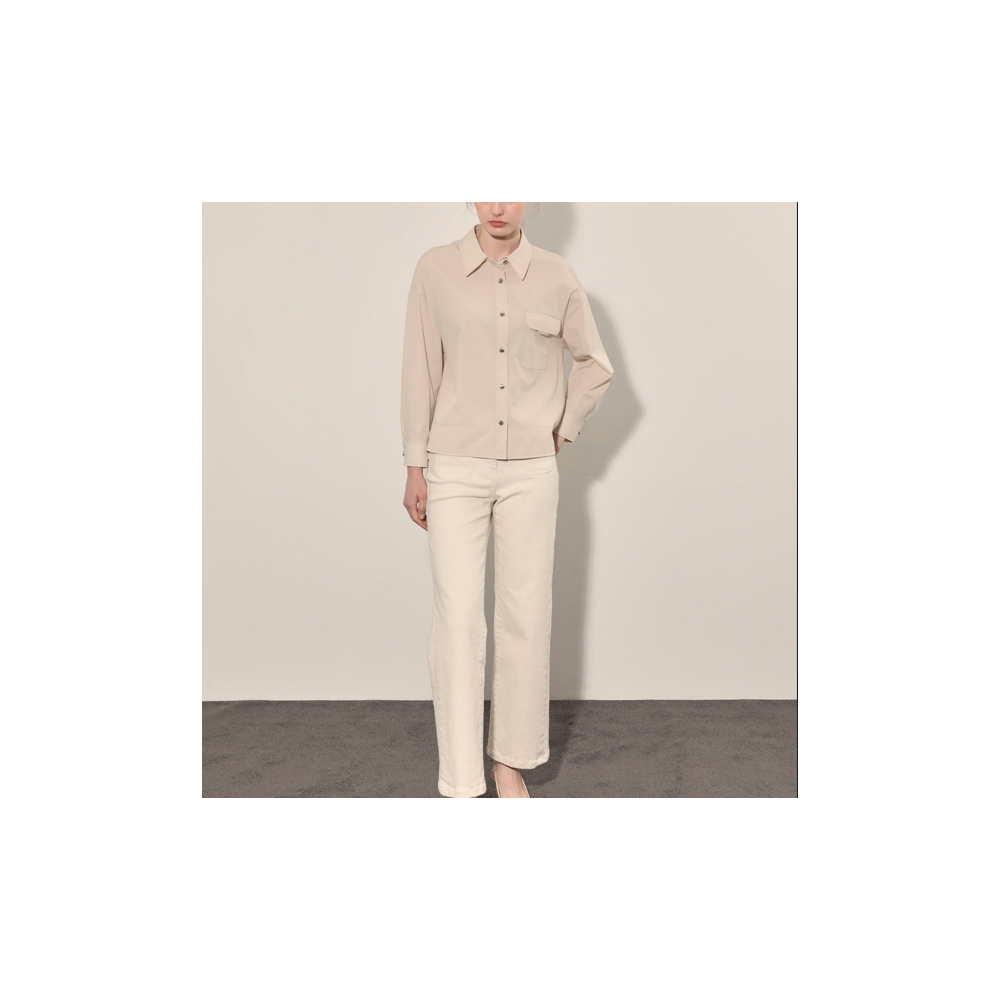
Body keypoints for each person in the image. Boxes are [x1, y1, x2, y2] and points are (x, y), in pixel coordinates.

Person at [401, 202, 613, 798]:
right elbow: (420, 367)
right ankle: (461, 778)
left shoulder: (557, 275)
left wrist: (561, 429)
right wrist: (415, 464)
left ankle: (510, 763)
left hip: (529, 472)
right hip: (453, 466)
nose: (498, 207)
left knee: (524, 617)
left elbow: (595, 364)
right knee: (458, 619)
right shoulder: (435, 269)